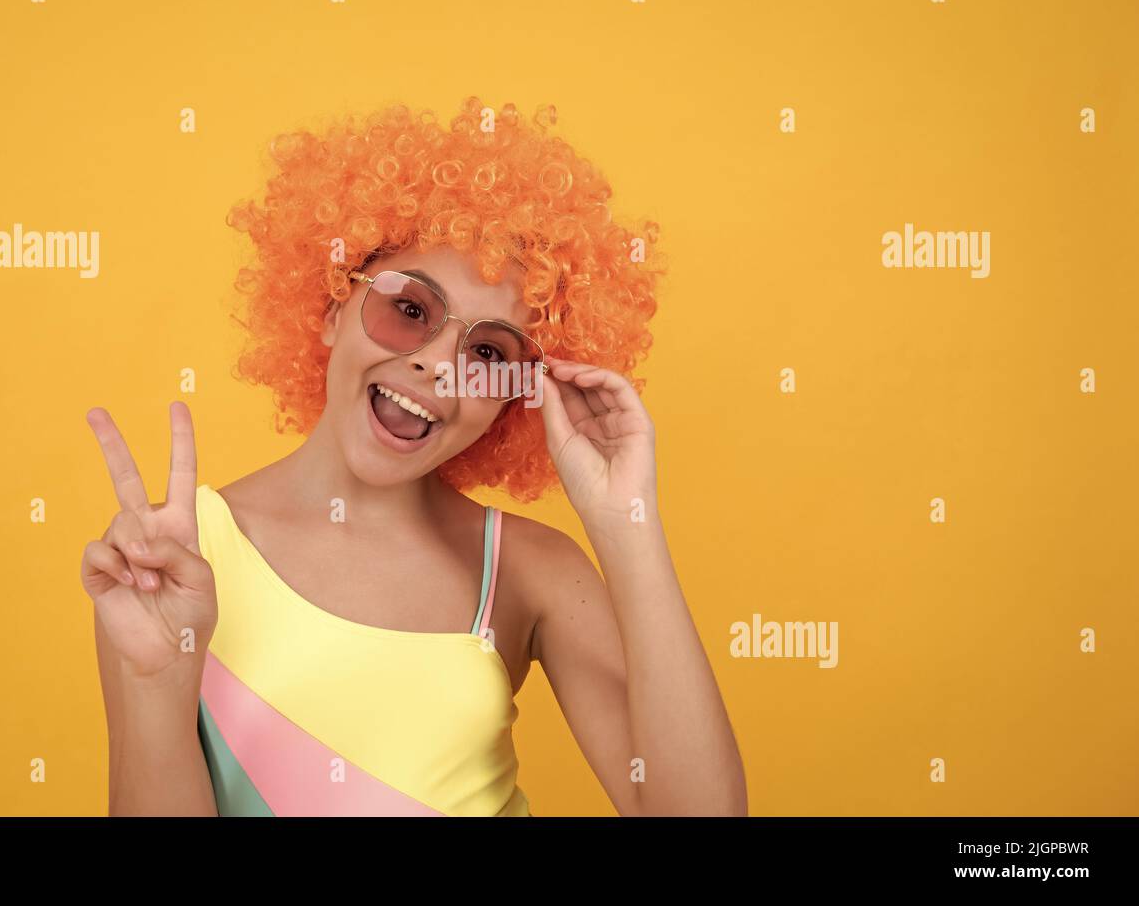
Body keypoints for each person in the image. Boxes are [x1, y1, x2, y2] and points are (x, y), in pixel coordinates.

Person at [79, 97, 746, 816]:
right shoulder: (173, 560)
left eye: (488, 351)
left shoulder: (529, 572)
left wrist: (627, 522)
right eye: (409, 309)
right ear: (333, 307)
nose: (437, 366)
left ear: (519, 391)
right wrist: (157, 686)